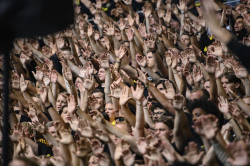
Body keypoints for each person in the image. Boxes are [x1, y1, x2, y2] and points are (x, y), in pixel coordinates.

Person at [4, 0, 250, 165]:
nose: (197, 120)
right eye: (194, 115)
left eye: (198, 114)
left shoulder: (179, 139)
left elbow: (153, 126)